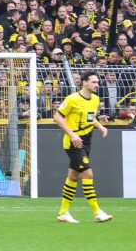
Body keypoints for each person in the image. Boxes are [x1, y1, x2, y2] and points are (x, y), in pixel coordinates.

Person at [54, 71, 112, 223]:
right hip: (73, 142)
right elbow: (57, 117)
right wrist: (72, 134)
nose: (96, 85)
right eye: (93, 82)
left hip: (87, 141)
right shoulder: (71, 99)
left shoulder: (95, 99)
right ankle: (97, 212)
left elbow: (90, 117)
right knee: (88, 174)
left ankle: (63, 213)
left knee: (73, 176)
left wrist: (100, 126)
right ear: (84, 82)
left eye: (97, 82)